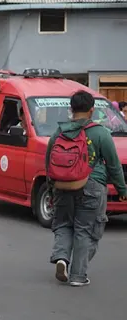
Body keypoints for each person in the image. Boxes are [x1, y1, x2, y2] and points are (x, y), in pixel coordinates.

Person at [47, 90, 127, 287]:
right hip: (92, 186)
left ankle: (61, 259)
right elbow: (114, 165)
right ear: (91, 110)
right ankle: (78, 276)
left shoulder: (59, 132)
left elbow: (48, 163)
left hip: (62, 186)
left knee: (64, 224)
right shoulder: (101, 133)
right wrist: (122, 190)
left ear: (71, 109)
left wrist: (51, 190)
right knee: (85, 230)